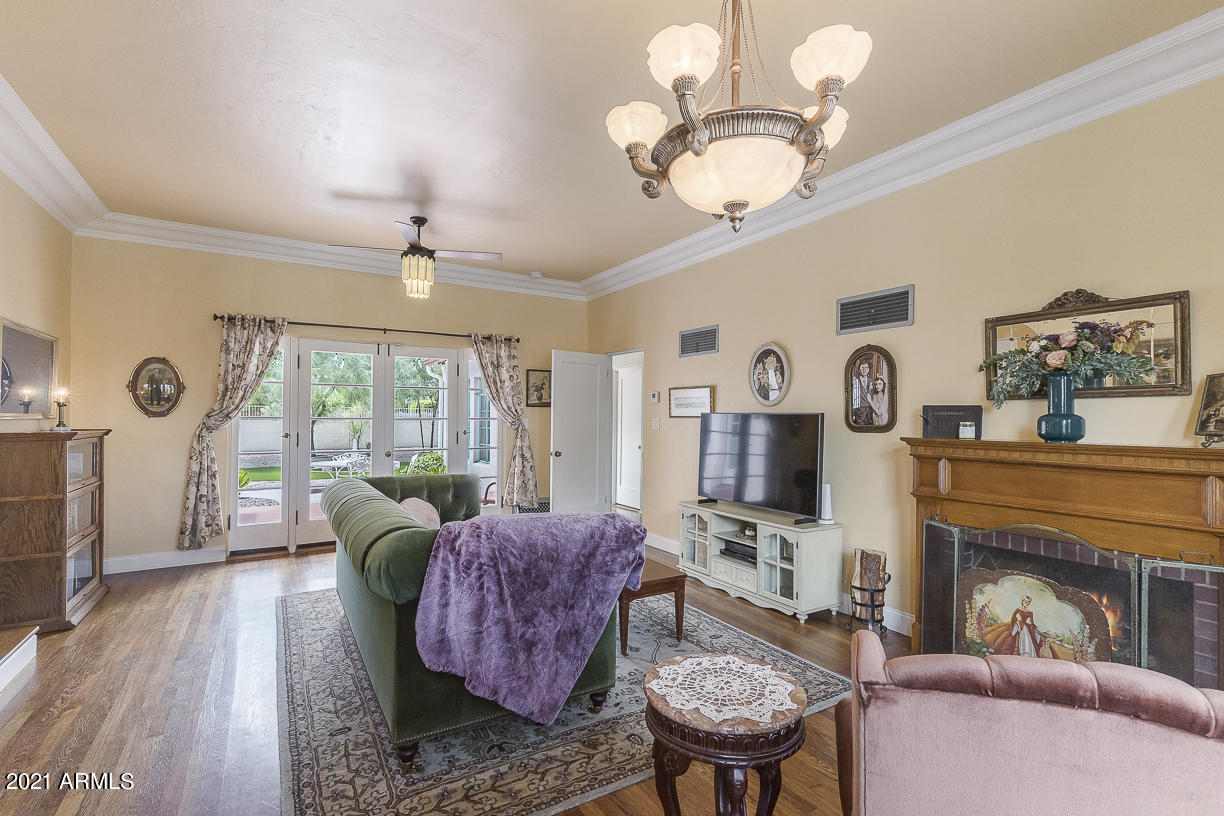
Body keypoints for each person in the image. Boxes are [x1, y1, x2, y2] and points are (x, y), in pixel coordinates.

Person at [851, 359, 873, 424]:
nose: (864, 370)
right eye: (862, 368)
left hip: (870, 415)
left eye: (866, 367)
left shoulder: (872, 381)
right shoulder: (855, 381)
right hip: (858, 414)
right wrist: (853, 414)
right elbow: (851, 398)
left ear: (868, 369)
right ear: (859, 370)